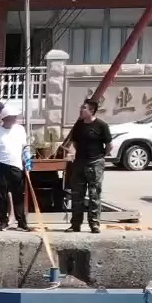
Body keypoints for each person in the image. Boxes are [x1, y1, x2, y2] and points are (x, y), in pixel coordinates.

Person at [61, 97, 112, 234]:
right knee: (77, 195)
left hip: (95, 163)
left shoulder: (101, 126)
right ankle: (75, 224)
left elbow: (109, 146)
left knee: (94, 194)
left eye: (84, 108)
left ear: (92, 110)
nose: (81, 110)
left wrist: (100, 156)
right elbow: (75, 143)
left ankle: (94, 224)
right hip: (80, 162)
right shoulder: (79, 126)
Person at [0, 102, 32, 232]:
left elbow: (24, 146)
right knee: (2, 195)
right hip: (1, 165)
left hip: (16, 165)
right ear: (5, 118)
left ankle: (21, 222)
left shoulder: (20, 129)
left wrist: (27, 158)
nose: (15, 119)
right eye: (12, 117)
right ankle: (3, 221)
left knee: (18, 195)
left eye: (15, 117)